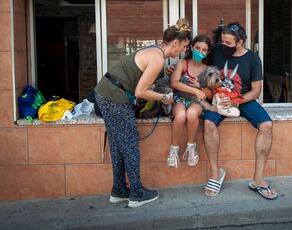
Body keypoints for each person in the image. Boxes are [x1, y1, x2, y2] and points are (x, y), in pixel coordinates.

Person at [94, 19, 192, 208]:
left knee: (117, 144)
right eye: (184, 46)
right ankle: (137, 193)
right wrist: (164, 98)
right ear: (175, 43)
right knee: (129, 143)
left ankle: (119, 190)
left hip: (105, 93)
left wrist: (164, 73)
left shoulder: (154, 50)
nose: (183, 51)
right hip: (115, 97)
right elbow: (141, 92)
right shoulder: (157, 58)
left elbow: (141, 77)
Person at [203, 22, 277, 200]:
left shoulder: (252, 58)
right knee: (208, 123)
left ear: (240, 42)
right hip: (219, 99)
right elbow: (197, 62)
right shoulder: (217, 50)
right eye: (222, 41)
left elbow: (256, 91)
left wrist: (236, 101)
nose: (223, 46)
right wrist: (177, 68)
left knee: (267, 125)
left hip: (243, 100)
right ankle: (215, 173)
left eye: (228, 43)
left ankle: (258, 179)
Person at [167, 35, 212, 168]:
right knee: (180, 116)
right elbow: (174, 83)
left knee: (192, 114)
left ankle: (191, 146)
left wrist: (200, 87)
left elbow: (208, 95)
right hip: (180, 98)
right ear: (191, 47)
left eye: (204, 50)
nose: (200, 52)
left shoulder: (207, 69)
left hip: (196, 102)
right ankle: (174, 149)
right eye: (197, 48)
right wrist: (195, 90)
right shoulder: (182, 63)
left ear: (207, 52)